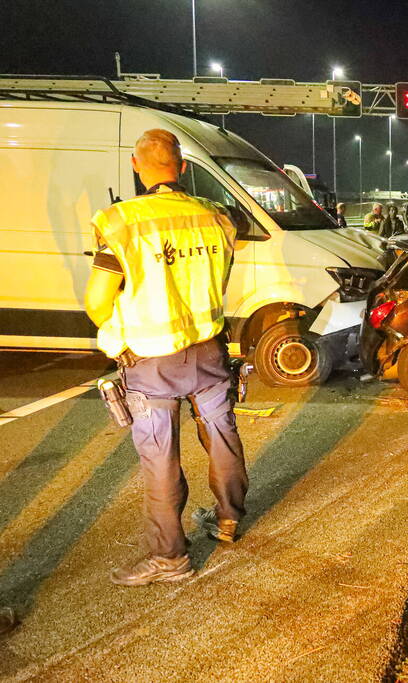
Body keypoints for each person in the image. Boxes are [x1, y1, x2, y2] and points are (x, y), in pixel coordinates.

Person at [85, 129, 247, 587]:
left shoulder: (120, 223)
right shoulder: (217, 218)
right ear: (182, 168)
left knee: (160, 457)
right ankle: (228, 520)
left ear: (137, 167)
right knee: (222, 435)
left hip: (152, 361)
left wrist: (117, 338)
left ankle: (170, 559)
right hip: (209, 350)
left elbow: (98, 302)